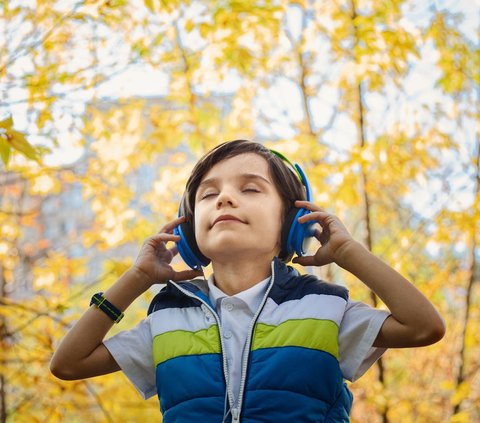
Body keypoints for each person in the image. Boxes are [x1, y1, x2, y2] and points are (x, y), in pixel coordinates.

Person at [50, 139, 445, 422]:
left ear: (291, 224)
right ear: (189, 234)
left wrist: (347, 252)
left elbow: (423, 326)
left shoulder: (324, 309)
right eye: (208, 195)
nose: (223, 199)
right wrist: (136, 279)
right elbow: (68, 363)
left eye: (250, 188)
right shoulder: (167, 320)